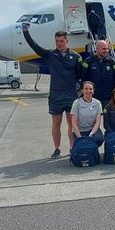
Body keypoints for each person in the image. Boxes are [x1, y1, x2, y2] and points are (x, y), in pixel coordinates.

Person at [22, 23, 82, 158]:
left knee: (72, 123)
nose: (59, 43)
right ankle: (57, 148)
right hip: (55, 94)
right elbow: (34, 46)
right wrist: (26, 32)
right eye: (57, 41)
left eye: (61, 41)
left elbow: (80, 75)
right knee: (56, 122)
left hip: (70, 94)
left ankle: (72, 147)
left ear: (67, 41)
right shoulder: (50, 55)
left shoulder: (76, 56)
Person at [81, 40, 115, 107]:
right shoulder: (88, 61)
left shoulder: (112, 62)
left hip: (108, 97)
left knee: (108, 117)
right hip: (93, 97)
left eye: (107, 48)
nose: (106, 51)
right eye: (103, 49)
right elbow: (84, 79)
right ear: (97, 49)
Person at [71, 81, 104, 147]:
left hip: (92, 129)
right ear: (82, 90)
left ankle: (92, 151)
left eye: (90, 89)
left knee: (99, 139)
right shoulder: (76, 103)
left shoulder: (97, 103)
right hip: (80, 131)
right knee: (80, 145)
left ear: (93, 90)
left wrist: (91, 134)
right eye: (86, 89)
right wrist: (79, 137)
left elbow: (98, 122)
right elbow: (73, 123)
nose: (88, 91)